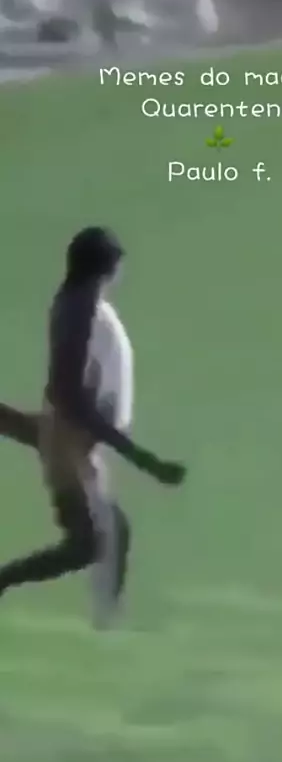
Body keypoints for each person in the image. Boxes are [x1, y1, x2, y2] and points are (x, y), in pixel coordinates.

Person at [0, 226, 185, 627]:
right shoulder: (80, 311)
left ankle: (109, 623)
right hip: (74, 445)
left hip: (73, 439)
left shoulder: (78, 303)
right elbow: (69, 394)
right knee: (88, 544)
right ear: (109, 266)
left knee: (112, 532)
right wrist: (142, 459)